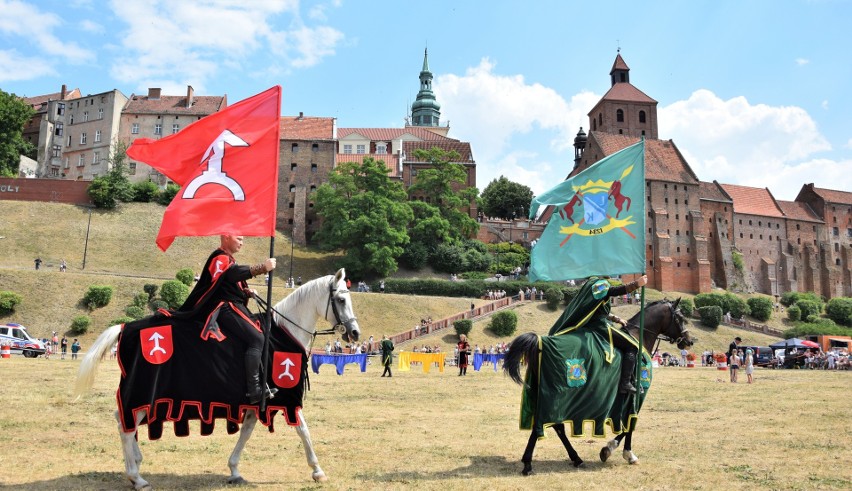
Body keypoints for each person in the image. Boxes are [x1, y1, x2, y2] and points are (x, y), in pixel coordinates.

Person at [177, 235, 277, 404]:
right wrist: (262, 267)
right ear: (225, 237)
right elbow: (231, 275)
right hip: (223, 308)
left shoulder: (228, 259)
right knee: (257, 338)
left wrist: (245, 292)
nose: (241, 242)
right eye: (238, 238)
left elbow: (226, 283)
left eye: (242, 239)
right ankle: (254, 390)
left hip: (232, 304)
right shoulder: (219, 258)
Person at [548, 275, 649, 394]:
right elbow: (613, 291)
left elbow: (597, 309)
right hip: (599, 326)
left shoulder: (591, 284)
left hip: (596, 322)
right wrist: (636, 284)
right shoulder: (599, 283)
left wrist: (616, 318)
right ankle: (625, 383)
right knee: (632, 346)